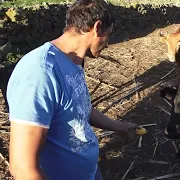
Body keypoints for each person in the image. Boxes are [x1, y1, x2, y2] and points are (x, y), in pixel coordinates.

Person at [6, 0, 139, 179]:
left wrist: (121, 127)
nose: (107, 44)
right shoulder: (39, 73)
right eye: (109, 34)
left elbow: (80, 107)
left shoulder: (73, 61)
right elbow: (22, 168)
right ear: (97, 27)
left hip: (88, 172)